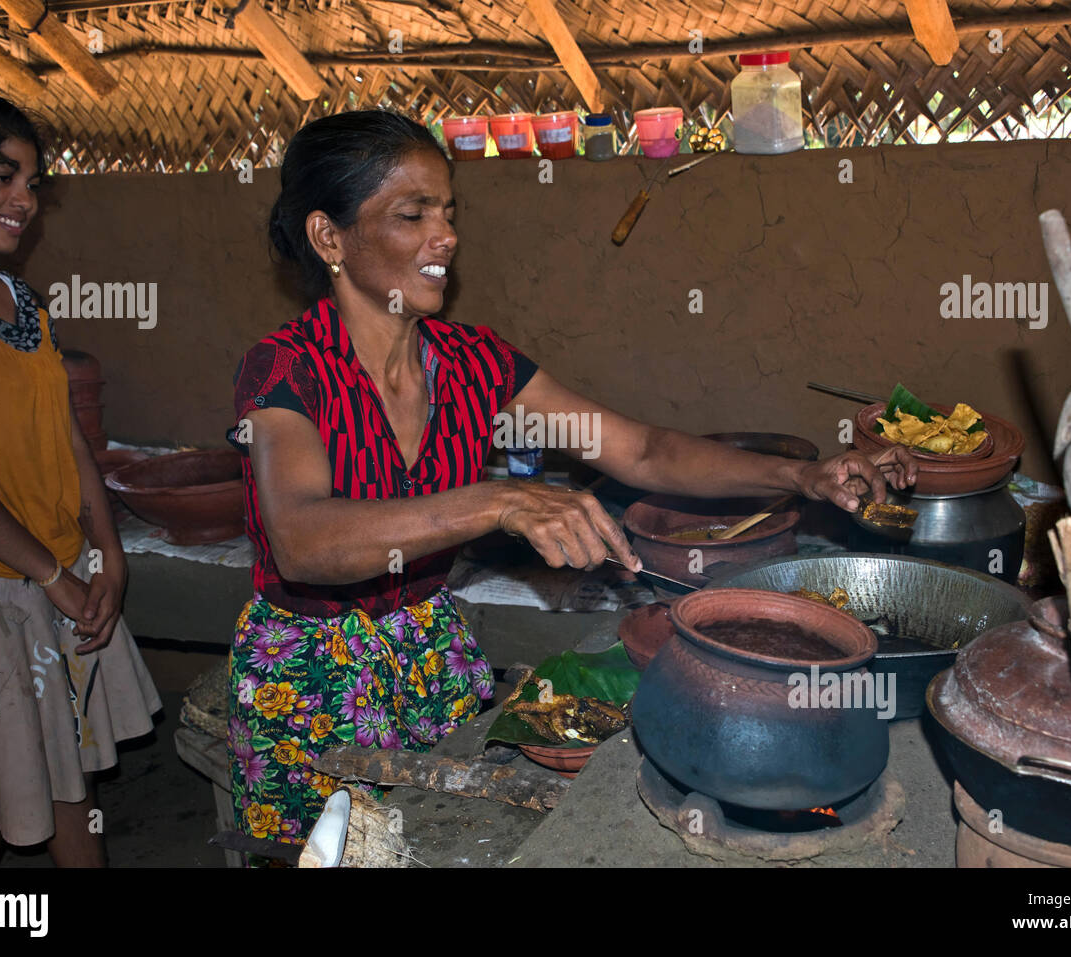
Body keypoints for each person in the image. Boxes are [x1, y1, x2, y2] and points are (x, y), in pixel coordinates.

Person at [227, 109, 916, 850]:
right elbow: (303, 538)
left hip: (427, 655)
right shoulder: (287, 369)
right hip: (310, 679)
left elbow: (643, 450)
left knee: (440, 847)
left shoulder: (473, 362)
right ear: (330, 237)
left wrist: (800, 474)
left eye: (449, 212)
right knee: (327, 858)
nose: (447, 236)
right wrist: (500, 499)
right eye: (412, 213)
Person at [0, 89, 160, 867]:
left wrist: (108, 555)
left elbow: (69, 439)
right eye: (2, 177)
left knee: (70, 785)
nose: (25, 201)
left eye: (33, 183)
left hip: (53, 574)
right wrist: (55, 575)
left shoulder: (21, 302)